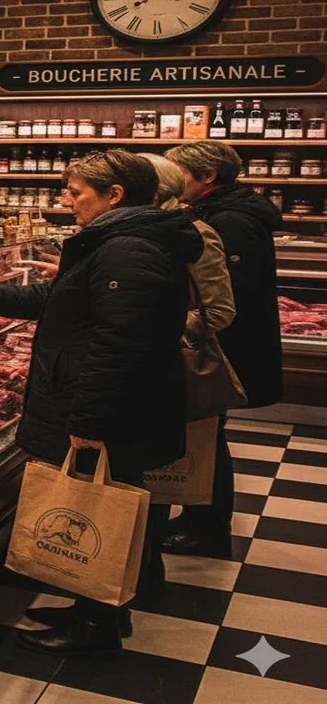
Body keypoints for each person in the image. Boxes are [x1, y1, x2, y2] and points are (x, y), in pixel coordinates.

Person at [0, 150, 202, 655]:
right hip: (120, 404)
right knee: (106, 501)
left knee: (100, 505)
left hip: (114, 410)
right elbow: (51, 303)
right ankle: (101, 610)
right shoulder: (119, 241)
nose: (66, 202)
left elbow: (120, 343)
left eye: (75, 193)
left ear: (114, 195)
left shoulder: (127, 249)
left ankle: (97, 628)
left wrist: (89, 421)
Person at [163, 141, 283, 556]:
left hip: (223, 348)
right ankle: (198, 517)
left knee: (209, 436)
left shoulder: (231, 220)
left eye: (179, 173)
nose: (174, 182)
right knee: (206, 435)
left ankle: (209, 527)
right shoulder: (222, 211)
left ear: (207, 176)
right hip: (218, 344)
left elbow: (228, 296)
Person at [141, 153, 241, 553]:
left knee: (192, 451)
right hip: (147, 365)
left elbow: (219, 310)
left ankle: (206, 528)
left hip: (177, 365)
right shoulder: (141, 229)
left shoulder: (194, 232)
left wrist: (148, 329)